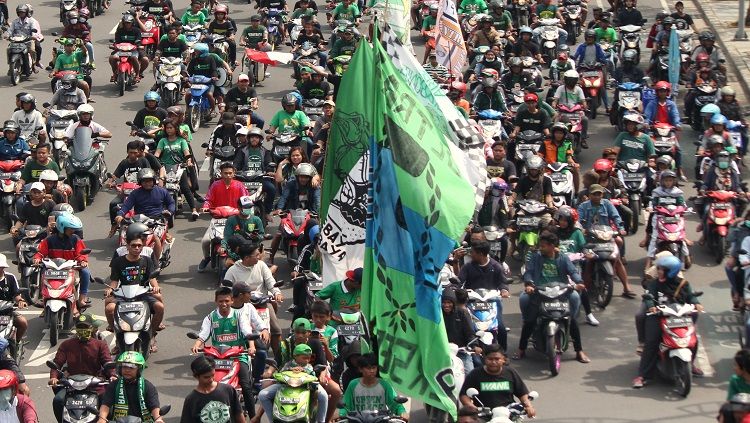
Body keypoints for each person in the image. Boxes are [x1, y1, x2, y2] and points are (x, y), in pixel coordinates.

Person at [514, 230, 590, 363]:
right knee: (528, 313)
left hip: (561, 292)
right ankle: (522, 348)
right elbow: (529, 272)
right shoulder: (535, 256)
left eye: (543, 246)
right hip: (540, 291)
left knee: (572, 315)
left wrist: (579, 282)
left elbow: (573, 272)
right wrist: (529, 284)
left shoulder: (563, 258)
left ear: (552, 246)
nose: (540, 248)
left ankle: (579, 351)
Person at [633, 255, 704, 388]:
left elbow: (691, 296)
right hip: (658, 316)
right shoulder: (654, 284)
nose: (658, 271)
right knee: (652, 342)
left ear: (670, 271)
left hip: (679, 317)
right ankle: (643, 375)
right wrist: (651, 307)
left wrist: (697, 304)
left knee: (692, 340)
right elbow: (649, 297)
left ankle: (691, 364)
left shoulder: (683, 283)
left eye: (661, 269)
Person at [191, 286, 255, 418]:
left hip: (237, 357)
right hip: (217, 358)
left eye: (226, 301)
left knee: (246, 385)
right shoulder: (210, 318)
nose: (224, 304)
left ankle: (254, 416)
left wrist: (251, 347)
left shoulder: (239, 315)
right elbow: (203, 335)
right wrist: (196, 345)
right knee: (206, 381)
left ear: (232, 301)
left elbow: (247, 332)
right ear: (216, 301)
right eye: (220, 301)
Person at [50, 313, 115, 423]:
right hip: (71, 386)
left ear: (92, 328)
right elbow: (57, 364)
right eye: (80, 327)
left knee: (108, 401)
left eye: (85, 327)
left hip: (95, 385)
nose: (82, 330)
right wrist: (53, 377)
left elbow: (107, 362)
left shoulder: (100, 345)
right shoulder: (66, 345)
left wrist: (112, 375)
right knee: (58, 400)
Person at [223, 243, 283, 354]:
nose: (259, 256)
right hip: (242, 306)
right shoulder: (232, 271)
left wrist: (277, 292)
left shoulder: (261, 265)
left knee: (276, 330)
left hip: (263, 303)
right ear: (246, 258)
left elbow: (270, 281)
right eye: (256, 255)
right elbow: (225, 290)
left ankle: (278, 359)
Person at [107, 233, 165, 342]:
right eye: (133, 245)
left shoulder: (147, 260)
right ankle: (117, 337)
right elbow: (114, 280)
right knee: (109, 308)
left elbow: (151, 278)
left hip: (143, 293)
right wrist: (110, 289)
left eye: (139, 245)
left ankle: (151, 336)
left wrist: (156, 287)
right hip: (123, 294)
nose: (137, 248)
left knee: (160, 307)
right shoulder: (117, 262)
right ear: (127, 246)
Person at [257, 343, 328, 423]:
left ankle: (321, 420)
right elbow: (281, 373)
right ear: (295, 356)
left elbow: (312, 375)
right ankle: (272, 420)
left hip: (305, 387)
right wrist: (290, 370)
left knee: (323, 395)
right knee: (263, 395)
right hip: (285, 387)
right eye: (304, 358)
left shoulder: (309, 367)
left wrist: (305, 371)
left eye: (308, 358)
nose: (307, 360)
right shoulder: (288, 364)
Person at [115, 168, 175, 261]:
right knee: (125, 236)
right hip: (139, 221)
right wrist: (120, 215)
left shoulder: (162, 191)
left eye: (149, 181)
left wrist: (169, 212)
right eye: (144, 181)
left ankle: (156, 262)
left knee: (155, 238)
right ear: (140, 182)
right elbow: (126, 206)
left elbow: (171, 203)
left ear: (154, 181)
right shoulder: (135, 193)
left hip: (157, 221)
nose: (147, 183)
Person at [459, 344, 535, 417]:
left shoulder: (510, 372)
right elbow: (464, 395)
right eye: (490, 359)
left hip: (508, 415)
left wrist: (528, 406)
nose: (493, 362)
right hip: (483, 415)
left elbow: (522, 393)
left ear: (503, 360)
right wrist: (471, 406)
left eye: (497, 359)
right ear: (485, 359)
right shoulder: (475, 374)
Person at [32, 213, 91, 307]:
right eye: (70, 229)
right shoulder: (49, 240)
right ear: (62, 227)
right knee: (42, 273)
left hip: (71, 267)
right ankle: (44, 299)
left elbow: (81, 254)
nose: (73, 231)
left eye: (74, 229)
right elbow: (40, 252)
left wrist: (83, 261)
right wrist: (37, 259)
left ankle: (81, 299)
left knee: (86, 272)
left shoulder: (76, 239)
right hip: (53, 268)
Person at [198, 163, 249, 270]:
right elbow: (208, 199)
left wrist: (247, 209)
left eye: (230, 173)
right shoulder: (215, 185)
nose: (228, 176)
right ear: (221, 173)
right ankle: (206, 258)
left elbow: (246, 200)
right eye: (225, 173)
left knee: (244, 240)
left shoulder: (240, 185)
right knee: (205, 241)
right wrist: (206, 207)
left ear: (234, 173)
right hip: (218, 218)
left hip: (235, 219)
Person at [640, 170, 691, 269]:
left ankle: (687, 256)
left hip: (675, 218)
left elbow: (682, 204)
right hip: (660, 217)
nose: (668, 182)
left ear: (674, 181)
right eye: (666, 180)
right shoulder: (657, 192)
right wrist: (651, 207)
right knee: (654, 238)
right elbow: (653, 203)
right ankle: (649, 261)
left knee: (680, 236)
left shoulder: (677, 192)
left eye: (670, 180)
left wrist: (685, 209)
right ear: (662, 181)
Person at [339, 353, 408, 419]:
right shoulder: (353, 384)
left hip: (381, 420)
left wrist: (402, 412)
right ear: (360, 369)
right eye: (368, 368)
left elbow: (395, 403)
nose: (372, 371)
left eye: (374, 367)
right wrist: (340, 414)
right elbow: (346, 405)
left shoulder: (384, 384)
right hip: (358, 420)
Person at [154, 119, 199, 220]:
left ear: (176, 129)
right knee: (160, 188)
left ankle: (194, 210)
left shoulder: (182, 141)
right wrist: (155, 162)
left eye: (171, 128)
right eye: (167, 128)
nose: (169, 130)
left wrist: (188, 161)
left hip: (179, 167)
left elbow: (187, 153)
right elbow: (157, 154)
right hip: (164, 167)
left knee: (185, 188)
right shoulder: (162, 141)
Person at [98, 351, 163, 422]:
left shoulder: (148, 386)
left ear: (139, 369)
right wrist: (102, 418)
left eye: (132, 367)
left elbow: (154, 406)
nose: (127, 370)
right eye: (124, 366)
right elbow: (106, 404)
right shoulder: (114, 385)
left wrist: (158, 419)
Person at [181, 355, 246, 423]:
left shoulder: (228, 390)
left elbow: (239, 415)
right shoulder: (191, 399)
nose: (211, 379)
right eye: (206, 377)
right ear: (196, 376)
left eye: (213, 375)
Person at [442, 287, 477, 373]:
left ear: (454, 303)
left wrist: (475, 345)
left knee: (469, 372)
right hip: (442, 353)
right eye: (444, 302)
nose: (446, 305)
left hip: (461, 352)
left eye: (449, 302)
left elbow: (470, 332)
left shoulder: (462, 313)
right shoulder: (437, 315)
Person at [552, 70, 589, 144]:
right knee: (554, 120)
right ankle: (552, 138)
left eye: (572, 80)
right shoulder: (561, 88)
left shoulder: (578, 89)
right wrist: (553, 105)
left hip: (576, 111)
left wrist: (585, 106)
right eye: (569, 80)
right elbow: (555, 99)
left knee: (585, 119)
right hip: (562, 111)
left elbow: (583, 100)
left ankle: (583, 138)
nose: (570, 82)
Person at [185, 43, 219, 116]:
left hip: (208, 83)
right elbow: (189, 72)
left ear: (203, 52)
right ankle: (188, 108)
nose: (195, 52)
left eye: (197, 51)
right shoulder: (194, 60)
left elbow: (214, 70)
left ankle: (213, 109)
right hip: (196, 83)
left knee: (209, 94)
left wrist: (214, 77)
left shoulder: (210, 59)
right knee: (188, 94)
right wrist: (186, 77)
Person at [0, 255, 27, 343]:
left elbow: (16, 294)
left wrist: (20, 301)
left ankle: (17, 343)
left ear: (3, 267)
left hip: (7, 313)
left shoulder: (10, 278)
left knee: (23, 322)